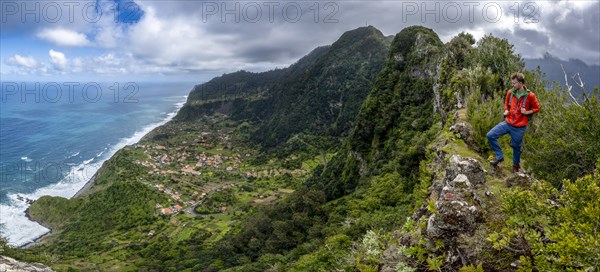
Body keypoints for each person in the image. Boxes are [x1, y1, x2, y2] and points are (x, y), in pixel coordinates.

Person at [487, 72, 540, 173]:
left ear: (521, 83)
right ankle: (499, 156)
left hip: (520, 127)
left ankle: (516, 166)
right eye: (512, 83)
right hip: (508, 123)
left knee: (516, 147)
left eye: (514, 83)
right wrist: (506, 110)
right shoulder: (510, 93)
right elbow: (507, 104)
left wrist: (527, 112)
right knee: (490, 135)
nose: (512, 85)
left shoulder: (530, 96)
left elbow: (537, 108)